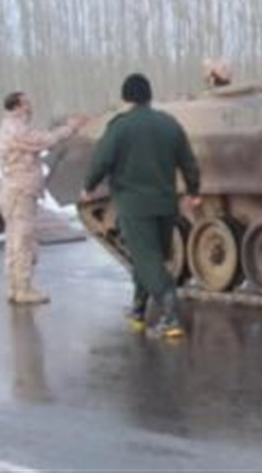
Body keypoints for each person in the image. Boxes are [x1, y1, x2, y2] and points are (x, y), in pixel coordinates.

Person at [82, 74, 201, 339]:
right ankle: (138, 310)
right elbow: (188, 161)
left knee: (147, 261)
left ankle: (171, 317)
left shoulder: (120, 127)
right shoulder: (169, 124)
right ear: (149, 96)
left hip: (135, 207)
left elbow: (102, 159)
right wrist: (193, 190)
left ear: (125, 98)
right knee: (148, 259)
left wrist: (88, 185)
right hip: (165, 205)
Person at [0, 92, 87, 304]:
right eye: (27, 103)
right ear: (17, 106)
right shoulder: (16, 128)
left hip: (16, 191)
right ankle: (23, 289)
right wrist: (70, 127)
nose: (31, 106)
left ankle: (15, 287)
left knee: (15, 240)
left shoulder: (12, 126)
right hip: (20, 192)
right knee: (23, 241)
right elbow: (43, 140)